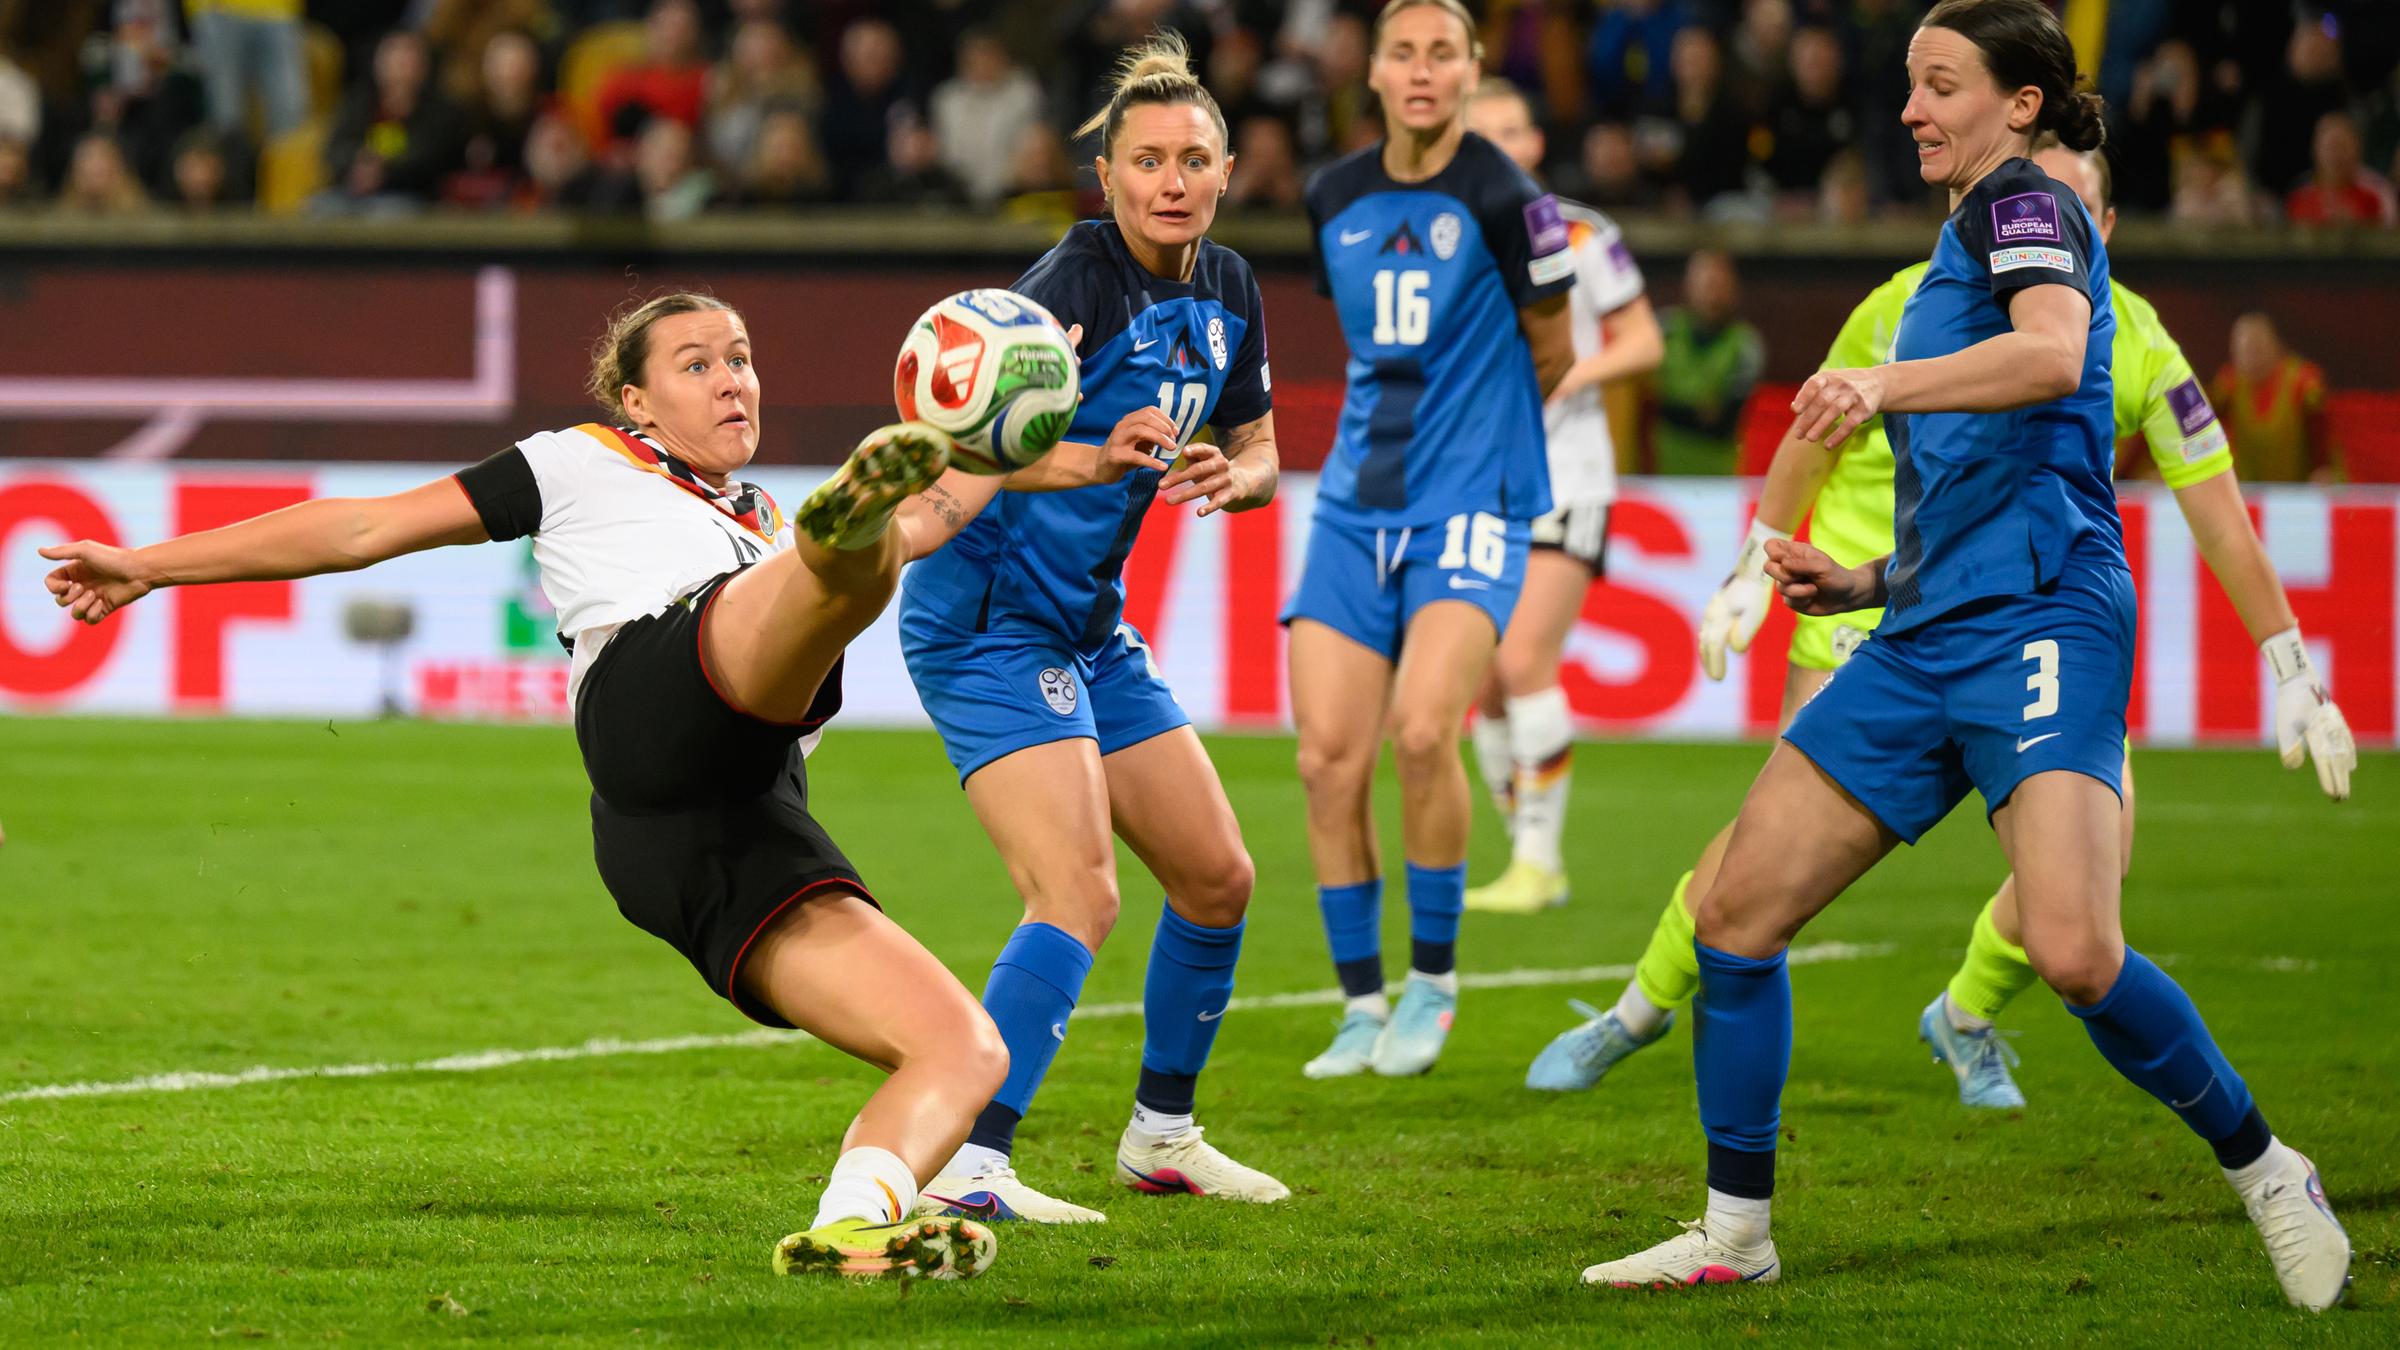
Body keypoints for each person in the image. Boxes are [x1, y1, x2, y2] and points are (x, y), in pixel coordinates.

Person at [1580, 0, 2351, 1310]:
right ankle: (1735, 1227)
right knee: (1735, 913)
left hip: (2044, 623)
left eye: (1938, 85)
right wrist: (1866, 576)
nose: (1910, 109)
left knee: (2074, 951)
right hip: (1927, 624)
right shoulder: (1965, 240)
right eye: (1911, 85)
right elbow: (1983, 479)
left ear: (2023, 104)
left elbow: (2054, 360)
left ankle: (2269, 1165)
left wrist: (1883, 386)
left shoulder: (2023, 210)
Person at [37, 293, 1010, 1283]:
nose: (732, 380)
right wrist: (149, 567)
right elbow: (365, 526)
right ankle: (847, 540)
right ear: (635, 399)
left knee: (965, 1049)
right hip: (651, 705)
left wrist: (1024, 438)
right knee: (840, 564)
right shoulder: (584, 458)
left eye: (742, 358)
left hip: (722, 829)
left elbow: (933, 507)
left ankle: (851, 1226)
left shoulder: (758, 522)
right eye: (697, 363)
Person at [890, 32, 1287, 1225]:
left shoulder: (1228, 287)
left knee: (1217, 880)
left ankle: (1163, 1136)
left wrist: (1240, 475)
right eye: (1148, 159)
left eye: (1195, 158)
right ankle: (971, 1164)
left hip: (1088, 628)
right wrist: (1084, 454)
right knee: (1076, 894)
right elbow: (964, 452)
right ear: (1106, 175)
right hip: (987, 623)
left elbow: (1266, 444)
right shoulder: (1064, 290)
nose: (1173, 180)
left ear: (1225, 173)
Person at [1285, 0, 1575, 1081]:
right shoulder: (1333, 195)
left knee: (1420, 734)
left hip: (1470, 502)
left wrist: (1483, 451)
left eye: (1441, 52)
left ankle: (1434, 985)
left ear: (1470, 69)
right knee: (1324, 760)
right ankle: (1360, 1005)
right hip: (1357, 502)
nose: (1421, 70)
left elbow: (1555, 350)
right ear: (1372, 70)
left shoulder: (1511, 195)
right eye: (1402, 51)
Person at [1456, 76, 1662, 915]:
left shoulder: (1580, 231)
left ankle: (1538, 859)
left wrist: (1569, 374)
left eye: (1514, 127)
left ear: (1536, 141)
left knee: (1520, 658)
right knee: (1483, 681)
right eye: (1485, 131)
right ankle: (1526, 849)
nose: (1503, 142)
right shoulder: (1450, 240)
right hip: (1474, 478)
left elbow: (1645, 338)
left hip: (1566, 472)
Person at [1650, 249, 1765, 475]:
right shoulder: (1662, 331)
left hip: (1719, 476)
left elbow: (1721, 420)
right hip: (1661, 473)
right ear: (1688, 286)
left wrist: (1668, 401)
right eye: (1705, 285)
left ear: (1734, 289)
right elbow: (1645, 402)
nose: (1712, 294)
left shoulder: (1746, 345)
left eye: (1719, 285)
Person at [2213, 312, 2342, 484]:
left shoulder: (2302, 382)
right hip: (2249, 488)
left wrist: (2322, 468)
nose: (2252, 358)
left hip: (2302, 487)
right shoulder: (2228, 384)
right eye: (2244, 351)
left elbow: (2320, 432)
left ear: (2276, 346)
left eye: (2257, 349)